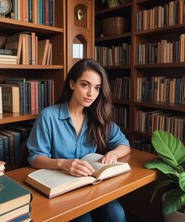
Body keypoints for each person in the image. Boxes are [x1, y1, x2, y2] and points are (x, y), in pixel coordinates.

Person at [27, 58, 131, 222]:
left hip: (91, 185)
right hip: (61, 186)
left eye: (97, 88)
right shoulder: (48, 116)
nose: (91, 93)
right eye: (85, 85)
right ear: (72, 84)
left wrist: (114, 153)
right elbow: (35, 158)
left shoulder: (98, 116)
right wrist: (63, 164)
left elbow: (124, 144)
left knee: (117, 214)